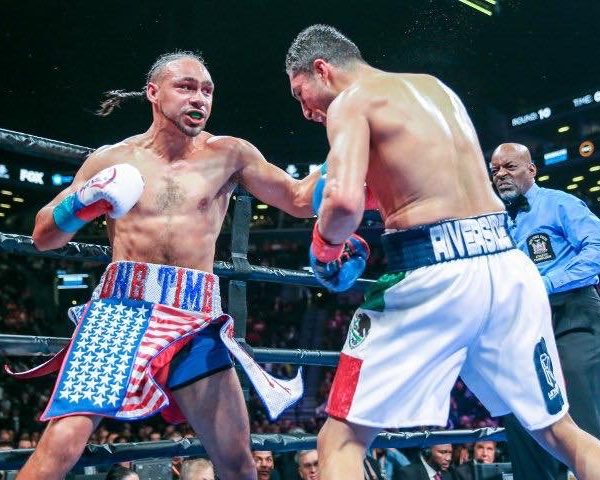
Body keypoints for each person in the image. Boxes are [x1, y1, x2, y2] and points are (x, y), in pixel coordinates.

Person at [284, 24, 600, 480]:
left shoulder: (351, 102)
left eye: (301, 94)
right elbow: (421, 179)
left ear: (322, 69)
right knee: (560, 432)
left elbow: (343, 203)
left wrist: (324, 248)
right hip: (508, 266)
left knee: (340, 441)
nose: (305, 110)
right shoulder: (434, 88)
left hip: (436, 272)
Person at [9, 51, 319, 480]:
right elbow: (45, 236)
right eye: (186, 87)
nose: (199, 98)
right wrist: (83, 203)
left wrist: (350, 150)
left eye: (207, 90)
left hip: (195, 316)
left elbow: (299, 201)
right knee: (61, 446)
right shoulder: (112, 159)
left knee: (237, 463)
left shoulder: (229, 154)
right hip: (121, 310)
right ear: (153, 93)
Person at [490, 142, 600, 480]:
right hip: (520, 323)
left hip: (571, 313)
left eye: (510, 166)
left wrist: (547, 283)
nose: (501, 174)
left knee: (580, 401)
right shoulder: (492, 221)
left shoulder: (559, 203)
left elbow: (596, 248)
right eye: (495, 170)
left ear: (531, 169)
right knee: (519, 414)